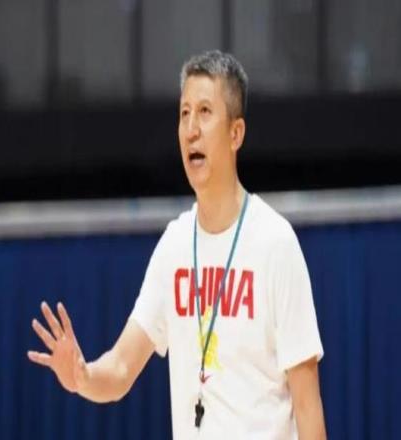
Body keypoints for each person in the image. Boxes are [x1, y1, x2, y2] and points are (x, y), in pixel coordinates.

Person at [28, 50, 326, 439]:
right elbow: (120, 368)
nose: (191, 129)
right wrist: (82, 376)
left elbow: (308, 408)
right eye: (184, 113)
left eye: (204, 112)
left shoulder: (275, 243)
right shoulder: (175, 245)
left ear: (235, 134)